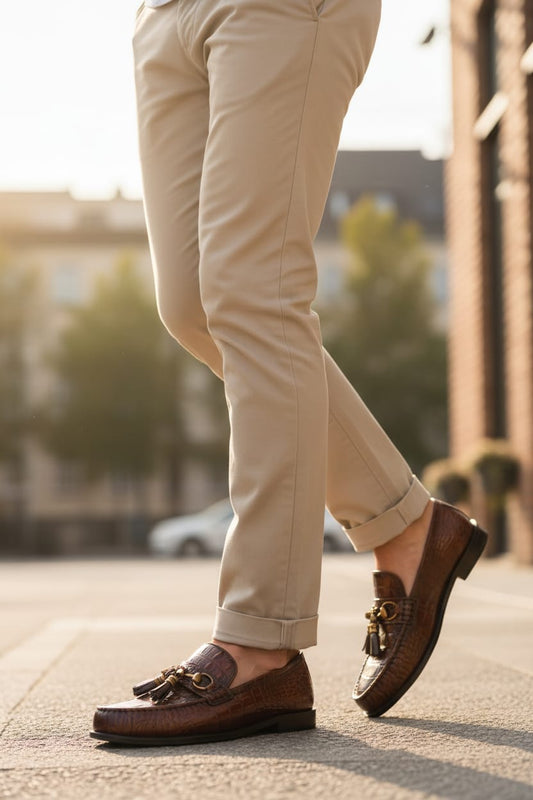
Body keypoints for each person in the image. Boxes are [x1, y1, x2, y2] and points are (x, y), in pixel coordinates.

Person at [91, 0, 487, 746]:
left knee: (253, 292)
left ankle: (259, 641)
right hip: (163, 14)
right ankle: (406, 525)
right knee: (193, 307)